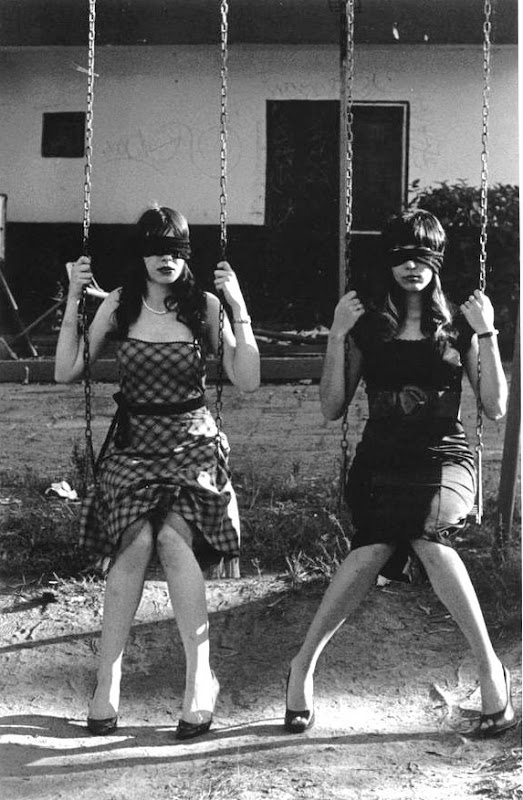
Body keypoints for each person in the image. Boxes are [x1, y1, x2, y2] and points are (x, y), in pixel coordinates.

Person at [284, 209, 516, 739]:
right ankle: (302, 666)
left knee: (427, 535)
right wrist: (337, 335)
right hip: (383, 459)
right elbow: (332, 407)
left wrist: (487, 332)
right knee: (371, 550)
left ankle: (489, 671)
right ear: (388, 264)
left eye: (423, 257)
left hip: (445, 457)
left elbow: (496, 407)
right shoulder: (368, 328)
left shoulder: (459, 326)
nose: (413, 267)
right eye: (402, 257)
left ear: (437, 262)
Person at [55, 205, 260, 739]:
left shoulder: (203, 306)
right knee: (136, 540)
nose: (166, 259)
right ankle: (108, 680)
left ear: (187, 254)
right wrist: (75, 299)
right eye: (156, 249)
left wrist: (238, 308)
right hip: (134, 444)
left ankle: (200, 680)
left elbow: (247, 379)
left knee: (170, 537)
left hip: (192, 443)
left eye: (176, 250)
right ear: (141, 255)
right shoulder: (120, 305)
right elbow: (65, 369)